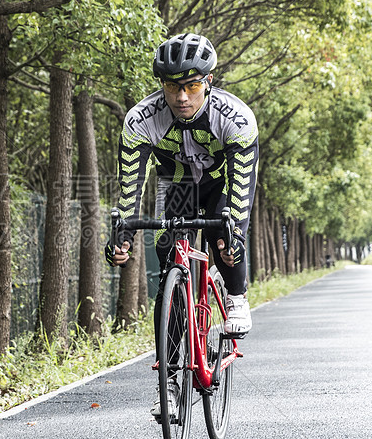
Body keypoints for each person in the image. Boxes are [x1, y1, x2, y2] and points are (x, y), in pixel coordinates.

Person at [106, 33, 259, 338]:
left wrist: (236, 236)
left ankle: (237, 297)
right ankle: (172, 363)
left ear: (209, 81)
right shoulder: (141, 119)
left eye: (193, 86)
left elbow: (242, 184)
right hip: (177, 185)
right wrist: (123, 235)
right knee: (168, 260)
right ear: (162, 84)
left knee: (224, 238)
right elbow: (131, 184)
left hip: (221, 183)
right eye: (172, 87)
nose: (182, 97)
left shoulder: (236, 118)